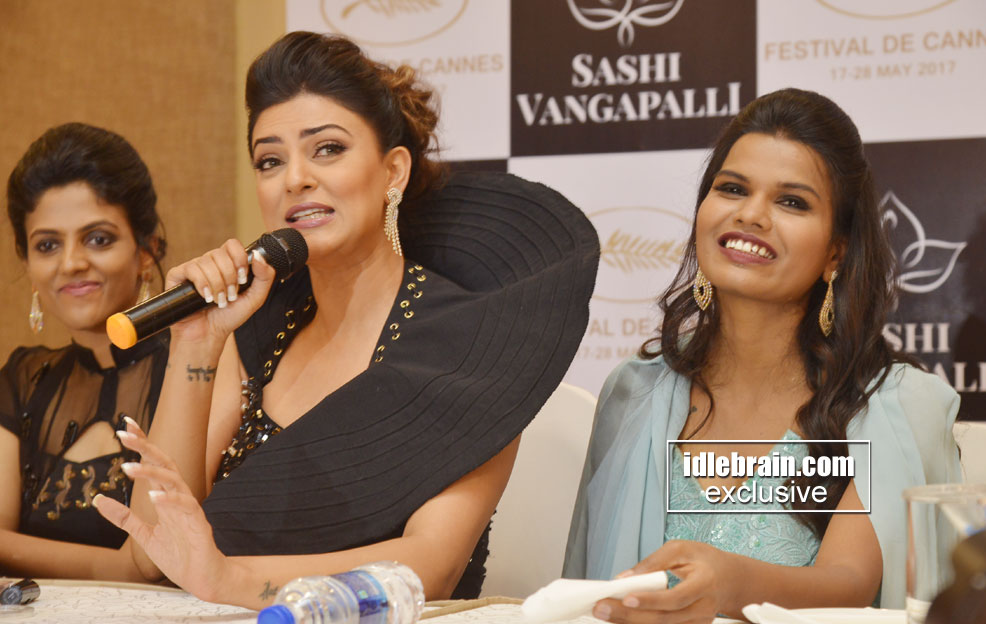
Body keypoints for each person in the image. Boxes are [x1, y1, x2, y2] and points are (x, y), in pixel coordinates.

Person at [94, 31, 599, 608]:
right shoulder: (253, 330)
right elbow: (151, 548)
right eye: (270, 160)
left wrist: (229, 581)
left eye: (327, 148)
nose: (295, 178)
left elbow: (430, 566)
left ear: (394, 172)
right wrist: (196, 342)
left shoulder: (475, 344)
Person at [563, 88, 961, 621]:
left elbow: (850, 582)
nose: (751, 214)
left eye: (792, 202)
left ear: (836, 253)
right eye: (732, 188)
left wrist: (732, 584)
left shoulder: (888, 406)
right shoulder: (633, 393)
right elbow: (586, 592)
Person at [0, 123, 168, 579]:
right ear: (28, 263)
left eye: (98, 238)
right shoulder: (23, 379)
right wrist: (122, 567)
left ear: (146, 251)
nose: (71, 263)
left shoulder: (196, 369)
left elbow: (159, 562)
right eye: (47, 245)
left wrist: (135, 567)